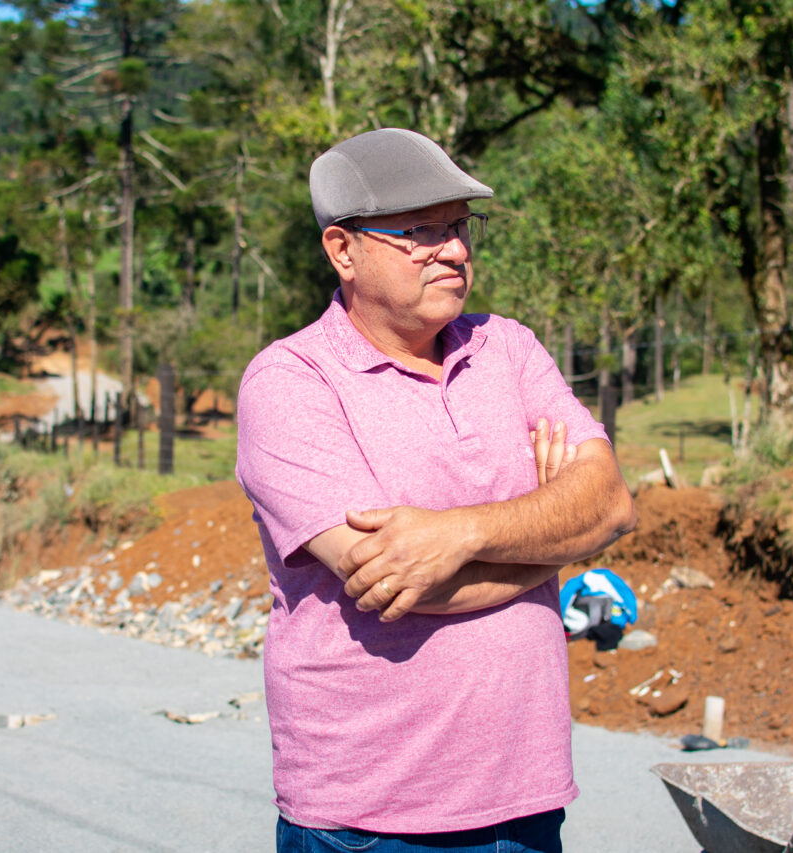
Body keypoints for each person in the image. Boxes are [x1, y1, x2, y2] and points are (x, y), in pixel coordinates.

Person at [235, 128, 637, 853]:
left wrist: (457, 533)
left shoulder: (508, 348)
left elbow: (609, 504)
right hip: (370, 818)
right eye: (420, 231)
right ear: (342, 249)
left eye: (459, 226)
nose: (454, 250)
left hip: (526, 800)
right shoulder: (291, 382)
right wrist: (553, 537)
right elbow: (395, 580)